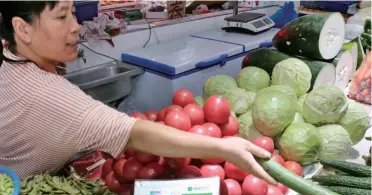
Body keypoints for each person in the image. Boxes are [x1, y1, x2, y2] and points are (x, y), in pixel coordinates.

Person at [0, 1, 275, 185]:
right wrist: (223, 147)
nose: (74, 26)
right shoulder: (47, 94)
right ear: (22, 29)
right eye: (61, 16)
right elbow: (134, 132)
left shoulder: (9, 54)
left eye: (73, 12)